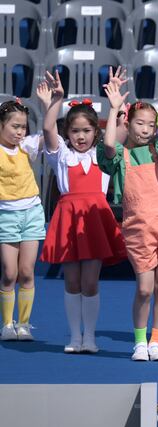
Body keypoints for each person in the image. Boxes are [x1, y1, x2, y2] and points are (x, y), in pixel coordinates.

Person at [38, 71, 126, 353]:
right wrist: (57, 100)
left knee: (90, 281)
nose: (80, 136)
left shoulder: (103, 152)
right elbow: (49, 128)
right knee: (72, 281)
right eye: (75, 131)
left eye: (86, 131)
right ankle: (74, 337)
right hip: (68, 219)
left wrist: (115, 106)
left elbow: (121, 130)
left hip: (95, 219)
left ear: (96, 133)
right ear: (68, 134)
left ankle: (90, 337)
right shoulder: (60, 155)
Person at [100, 83, 158, 361]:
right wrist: (114, 109)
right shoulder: (120, 156)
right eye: (140, 123)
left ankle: (156, 341)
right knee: (144, 288)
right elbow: (107, 146)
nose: (146, 129)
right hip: (138, 228)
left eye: (151, 125)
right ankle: (139, 341)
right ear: (128, 123)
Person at [0, 99, 44, 342]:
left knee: (27, 271)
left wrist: (51, 103)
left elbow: (48, 131)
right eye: (14, 126)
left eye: (23, 127)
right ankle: (7, 324)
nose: (19, 132)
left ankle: (24, 324)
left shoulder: (26, 146)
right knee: (9, 273)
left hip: (32, 213)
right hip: (5, 216)